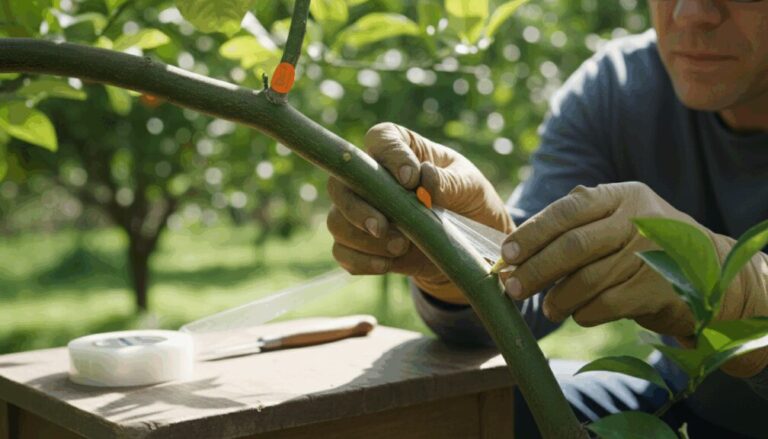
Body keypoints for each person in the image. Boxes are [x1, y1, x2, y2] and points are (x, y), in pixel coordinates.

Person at [324, 0, 768, 437]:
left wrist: (739, 301)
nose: (691, 11)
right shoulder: (620, 88)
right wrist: (464, 250)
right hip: (680, 393)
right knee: (462, 413)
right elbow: (527, 290)